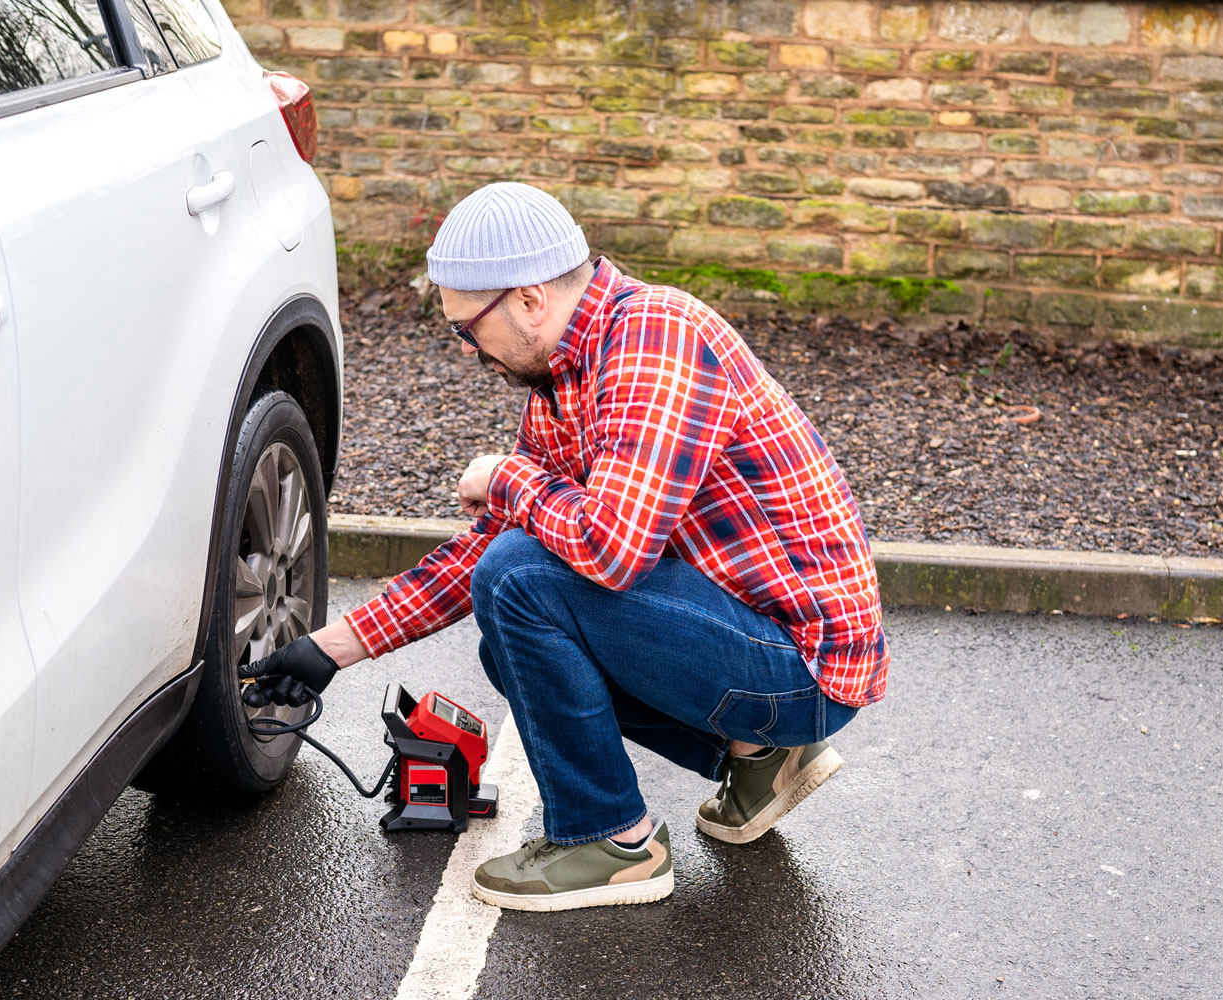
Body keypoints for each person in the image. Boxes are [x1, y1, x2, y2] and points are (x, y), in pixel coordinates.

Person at [242, 181, 889, 911]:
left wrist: (507, 475)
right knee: (509, 635)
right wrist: (330, 649)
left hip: (800, 667)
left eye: (467, 328)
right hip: (753, 641)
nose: (468, 351)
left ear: (527, 300)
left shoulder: (654, 341)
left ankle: (611, 842)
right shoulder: (567, 377)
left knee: (520, 582)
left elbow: (610, 551)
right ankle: (761, 757)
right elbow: (483, 552)